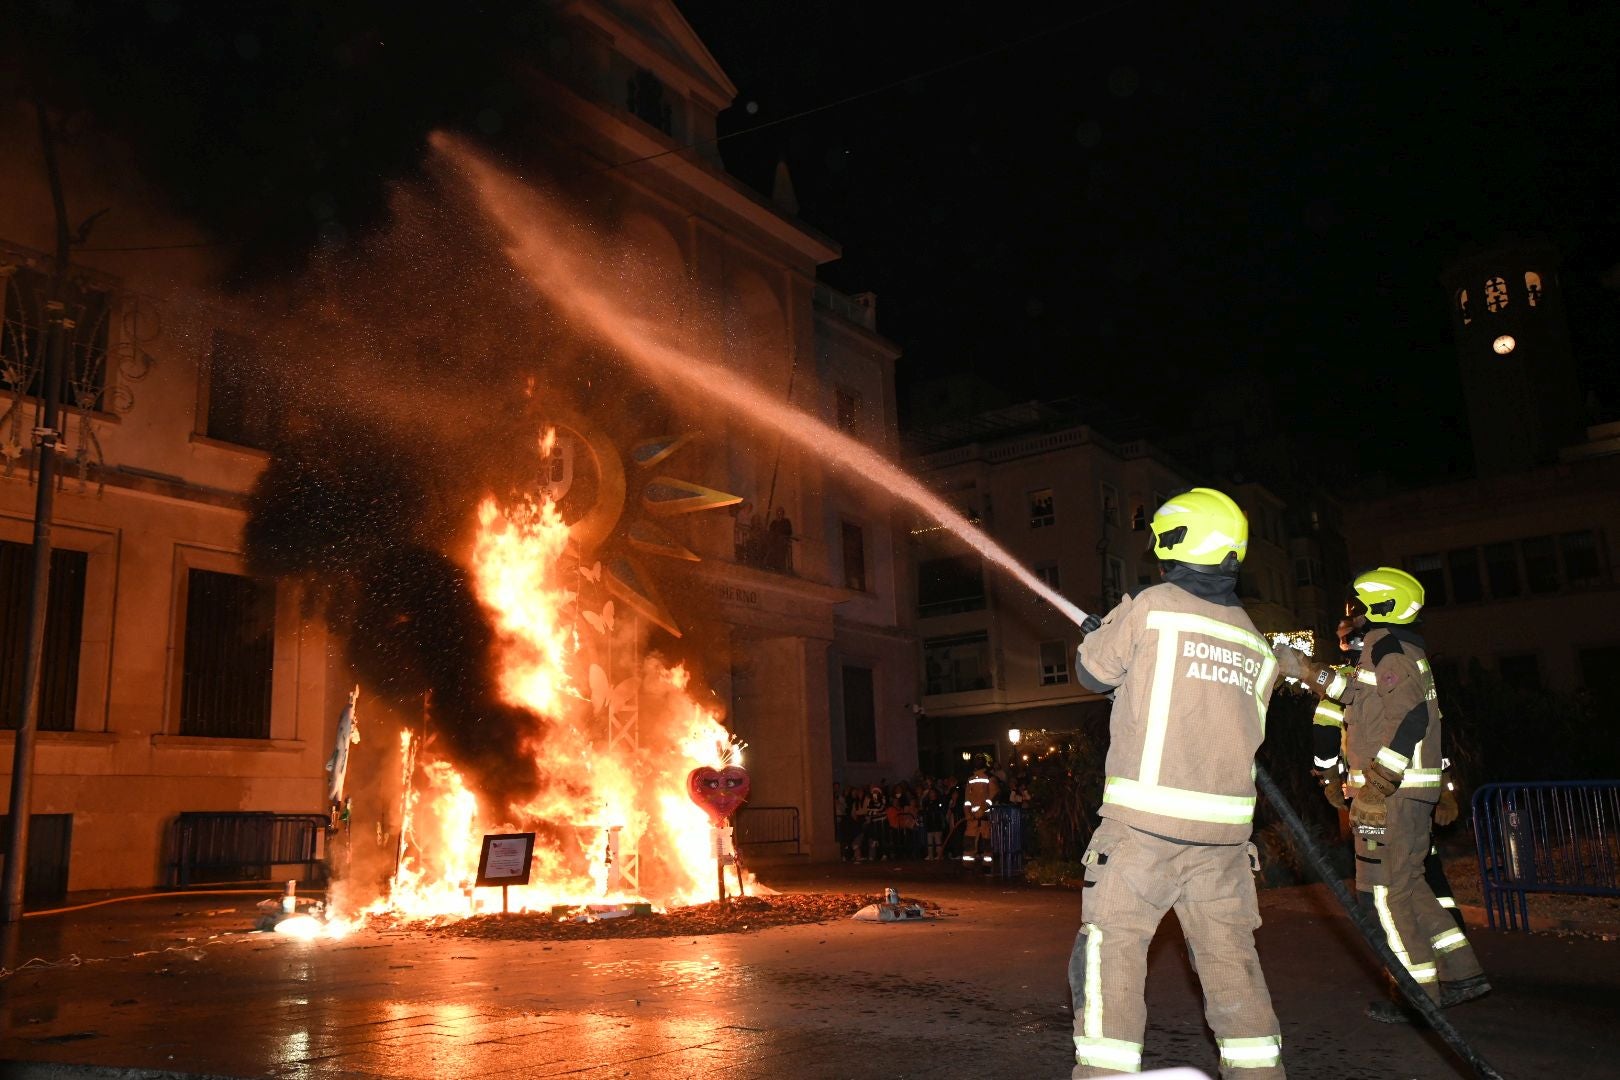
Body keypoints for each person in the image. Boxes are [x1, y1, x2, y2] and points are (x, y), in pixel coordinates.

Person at [1067, 487, 1284, 1079]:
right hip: (1225, 846)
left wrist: (1111, 624)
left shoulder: (1153, 605)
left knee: (1110, 960)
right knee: (1233, 974)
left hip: (1143, 833)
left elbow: (1091, 672)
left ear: (1172, 540)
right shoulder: (1253, 639)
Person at [1275, 566, 1488, 1022]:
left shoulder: (1389, 649)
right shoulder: (1392, 649)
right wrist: (1307, 671)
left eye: (1361, 607)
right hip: (1406, 793)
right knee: (1409, 886)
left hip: (1393, 795)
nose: (1354, 616)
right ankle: (1461, 971)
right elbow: (1354, 694)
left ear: (1381, 606)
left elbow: (1411, 719)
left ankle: (1418, 998)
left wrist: (1377, 785)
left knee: (1391, 895)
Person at [961, 761, 998, 866]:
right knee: (970, 838)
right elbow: (967, 799)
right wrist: (967, 812)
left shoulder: (990, 778)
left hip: (985, 816)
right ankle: (969, 862)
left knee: (986, 839)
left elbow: (993, 796)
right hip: (972, 817)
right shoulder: (971, 779)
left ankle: (986, 863)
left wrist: (983, 809)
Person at [765, 507, 794, 571]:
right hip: (774, 541)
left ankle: (779, 567)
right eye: (778, 513)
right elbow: (771, 531)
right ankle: (770, 565)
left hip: (782, 541)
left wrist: (782, 535)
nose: (779, 514)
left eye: (781, 512)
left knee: (780, 551)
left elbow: (789, 531)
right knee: (771, 549)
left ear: (783, 514)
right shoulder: (774, 522)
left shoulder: (786, 521)